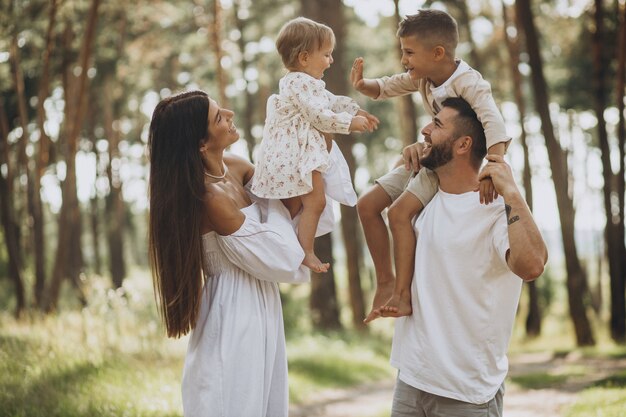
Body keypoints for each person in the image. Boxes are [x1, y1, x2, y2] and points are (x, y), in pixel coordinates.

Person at [372, 97, 547, 416]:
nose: (425, 129)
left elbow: (532, 265)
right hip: (412, 382)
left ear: (464, 144)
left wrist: (511, 192)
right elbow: (376, 209)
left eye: (437, 125)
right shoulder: (425, 197)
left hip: (467, 393)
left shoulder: (496, 210)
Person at [148, 90, 310, 417]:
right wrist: (274, 208)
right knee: (235, 402)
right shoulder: (209, 197)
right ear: (201, 143)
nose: (231, 114)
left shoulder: (235, 168)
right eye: (219, 117)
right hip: (234, 312)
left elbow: (293, 196)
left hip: (262, 302)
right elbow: (280, 257)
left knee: (266, 403)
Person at [352, 9, 511, 321]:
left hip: (457, 163)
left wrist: (493, 166)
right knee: (367, 205)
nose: (404, 60)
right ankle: (384, 281)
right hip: (429, 157)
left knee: (398, 214)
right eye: (402, 52)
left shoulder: (468, 82)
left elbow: (493, 119)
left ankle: (402, 293)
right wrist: (363, 85)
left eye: (409, 52)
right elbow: (389, 86)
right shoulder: (423, 78)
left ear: (438, 53)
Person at [251, 16, 379, 273]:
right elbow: (318, 114)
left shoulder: (307, 84)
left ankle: (296, 247)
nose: (331, 60)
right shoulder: (297, 83)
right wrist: (349, 123)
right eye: (327, 54)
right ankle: (305, 251)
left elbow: (330, 101)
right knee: (315, 203)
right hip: (294, 158)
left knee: (309, 205)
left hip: (301, 156)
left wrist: (356, 110)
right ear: (304, 58)